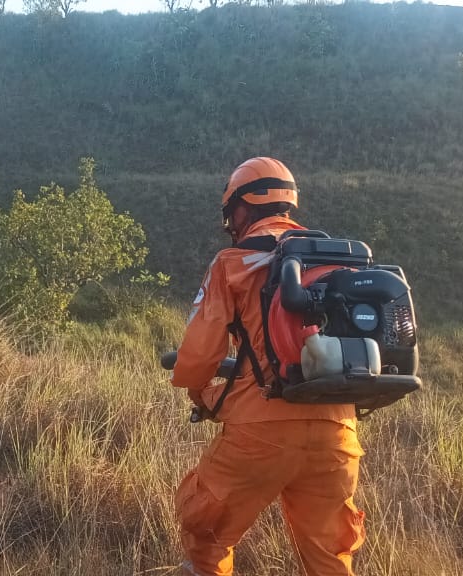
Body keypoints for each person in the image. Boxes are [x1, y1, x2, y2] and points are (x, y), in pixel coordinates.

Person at [170, 157, 365, 576]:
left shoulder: (233, 262)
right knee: (331, 560)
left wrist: (196, 390)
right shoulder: (334, 259)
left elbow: (199, 356)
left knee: (206, 537)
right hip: (337, 431)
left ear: (241, 208)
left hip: (258, 434)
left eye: (232, 213)